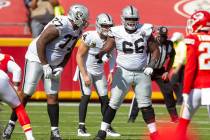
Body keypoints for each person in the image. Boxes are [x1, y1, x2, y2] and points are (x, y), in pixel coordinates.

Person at [2, 4, 89, 140]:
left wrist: (61, 66)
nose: (84, 22)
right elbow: (40, 43)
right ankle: (10, 126)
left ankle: (54, 132)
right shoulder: (60, 25)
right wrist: (45, 65)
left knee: (53, 96)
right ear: (74, 16)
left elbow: (69, 49)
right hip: (36, 58)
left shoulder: (77, 30)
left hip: (53, 63)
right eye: (82, 19)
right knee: (26, 94)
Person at [94, 5, 160, 140]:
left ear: (138, 19)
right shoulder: (116, 31)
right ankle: (102, 132)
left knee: (146, 105)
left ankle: (154, 134)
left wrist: (151, 65)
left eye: (134, 18)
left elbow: (155, 50)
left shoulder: (145, 29)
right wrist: (102, 54)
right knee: (113, 103)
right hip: (123, 71)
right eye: (129, 18)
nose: (131, 21)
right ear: (123, 19)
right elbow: (109, 45)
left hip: (142, 72)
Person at [76, 13, 120, 137]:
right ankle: (81, 128)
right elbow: (79, 56)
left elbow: (112, 56)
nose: (107, 28)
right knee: (86, 96)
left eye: (109, 26)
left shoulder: (112, 38)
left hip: (99, 72)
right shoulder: (90, 36)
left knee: (105, 99)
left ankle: (107, 127)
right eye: (104, 25)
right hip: (87, 70)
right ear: (98, 25)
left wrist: (111, 72)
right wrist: (84, 74)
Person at [128, 26, 178, 123]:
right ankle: (132, 117)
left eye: (164, 36)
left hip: (160, 71)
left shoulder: (169, 44)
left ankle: (174, 117)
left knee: (168, 91)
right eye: (160, 36)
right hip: (147, 69)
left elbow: (172, 57)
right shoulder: (149, 42)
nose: (162, 38)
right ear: (156, 35)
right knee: (140, 92)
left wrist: (167, 70)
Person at [176, 10, 210, 139]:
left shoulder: (193, 39)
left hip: (197, 87)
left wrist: (185, 90)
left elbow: (190, 67)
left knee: (183, 123)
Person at [0, 52, 35, 140]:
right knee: (19, 107)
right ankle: (30, 137)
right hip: (1, 80)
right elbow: (17, 69)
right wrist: (15, 88)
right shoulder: (5, 57)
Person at [170, 32, 187, 104]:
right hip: (177, 66)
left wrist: (177, 68)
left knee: (173, 83)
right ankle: (180, 100)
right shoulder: (176, 44)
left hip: (181, 66)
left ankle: (180, 99)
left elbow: (183, 57)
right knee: (180, 84)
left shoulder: (182, 45)